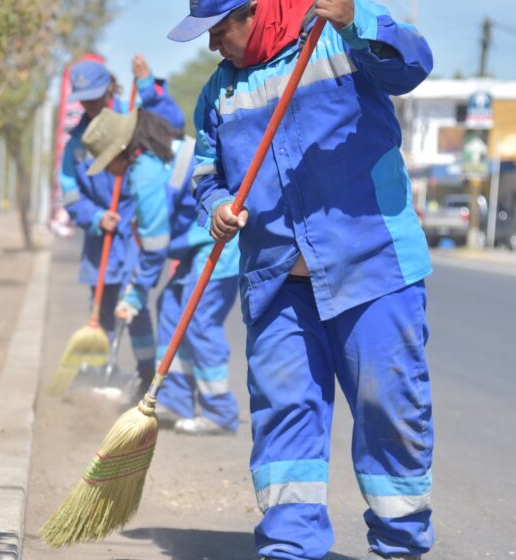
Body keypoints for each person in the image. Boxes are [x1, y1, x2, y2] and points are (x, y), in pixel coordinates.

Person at [168, 1, 435, 559]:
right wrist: (216, 205)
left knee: (390, 411)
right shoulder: (219, 93)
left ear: (254, 12)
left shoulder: (337, 36)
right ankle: (289, 549)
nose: (214, 46)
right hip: (277, 285)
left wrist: (353, 20)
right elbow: (204, 173)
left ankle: (399, 546)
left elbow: (411, 66)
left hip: (374, 269)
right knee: (285, 424)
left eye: (220, 32)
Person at [130, 55, 244, 436]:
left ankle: (219, 410)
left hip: (220, 245)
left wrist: (134, 293)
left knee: (199, 321)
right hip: (202, 245)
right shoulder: (159, 154)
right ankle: (176, 399)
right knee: (170, 308)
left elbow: (155, 243)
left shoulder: (145, 170)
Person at [61, 59, 157, 388]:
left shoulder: (129, 120)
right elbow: (71, 194)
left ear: (109, 90)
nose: (88, 103)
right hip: (100, 233)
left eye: (94, 96)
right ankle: (101, 370)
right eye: (82, 98)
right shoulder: (76, 144)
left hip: (131, 230)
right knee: (100, 306)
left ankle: (147, 371)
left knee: (134, 303)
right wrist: (97, 217)